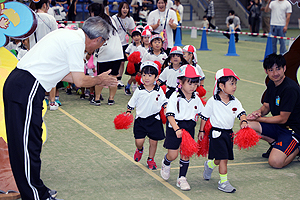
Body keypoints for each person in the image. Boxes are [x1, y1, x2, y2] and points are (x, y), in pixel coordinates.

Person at [3, 16, 117, 200]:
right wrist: (99, 80)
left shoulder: (68, 36)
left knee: (31, 142)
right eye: (102, 44)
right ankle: (34, 195)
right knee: (26, 145)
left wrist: (96, 80)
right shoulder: (75, 43)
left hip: (23, 85)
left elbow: (67, 75)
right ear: (97, 39)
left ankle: (36, 189)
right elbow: (80, 81)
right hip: (27, 86)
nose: (99, 47)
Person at [247, 53, 300, 168]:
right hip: (278, 127)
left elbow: (282, 119)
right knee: (247, 126)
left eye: (278, 69)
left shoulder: (290, 89)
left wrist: (260, 119)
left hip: (292, 130)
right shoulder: (272, 83)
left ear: (284, 68)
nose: (275, 73)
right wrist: (258, 112)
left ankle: (297, 149)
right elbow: (266, 106)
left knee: (275, 162)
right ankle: (276, 143)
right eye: (271, 70)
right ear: (266, 71)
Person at [198, 68, 247, 193]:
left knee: (220, 158)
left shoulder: (234, 101)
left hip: (228, 134)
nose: (234, 86)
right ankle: (223, 182)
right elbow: (204, 117)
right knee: (224, 158)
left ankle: (209, 165)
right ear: (221, 85)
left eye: (235, 83)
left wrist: (244, 121)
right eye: (231, 83)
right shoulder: (212, 101)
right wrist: (201, 131)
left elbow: (241, 112)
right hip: (216, 134)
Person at [160, 64, 204, 191]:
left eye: (195, 83)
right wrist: (176, 129)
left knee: (186, 153)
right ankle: (166, 162)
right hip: (175, 127)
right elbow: (169, 115)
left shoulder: (196, 98)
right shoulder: (175, 96)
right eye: (190, 83)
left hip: (189, 127)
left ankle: (182, 178)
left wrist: (202, 130)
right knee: (173, 155)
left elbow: (204, 115)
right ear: (181, 81)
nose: (193, 86)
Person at [127, 61, 167, 170]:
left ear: (156, 77)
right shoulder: (139, 90)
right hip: (140, 121)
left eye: (150, 75)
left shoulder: (159, 91)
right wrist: (128, 112)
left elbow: (164, 102)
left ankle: (150, 159)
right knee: (139, 141)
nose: (146, 78)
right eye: (144, 75)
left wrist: (168, 110)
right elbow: (132, 103)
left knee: (153, 142)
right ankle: (139, 149)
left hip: (154, 120)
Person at [88, 3, 123, 106]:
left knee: (101, 77)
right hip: (117, 53)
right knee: (113, 77)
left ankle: (97, 99)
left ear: (93, 12)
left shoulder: (96, 23)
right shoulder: (110, 19)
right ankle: (111, 99)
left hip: (105, 54)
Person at [29, 0, 59, 111]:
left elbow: (26, 39)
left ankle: (37, 100)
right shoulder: (50, 18)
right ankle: (52, 101)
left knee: (36, 77)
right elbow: (56, 36)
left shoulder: (31, 18)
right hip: (48, 52)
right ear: (45, 5)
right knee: (51, 76)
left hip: (33, 51)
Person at [112, 2, 135, 89]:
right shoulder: (114, 18)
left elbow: (131, 31)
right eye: (123, 8)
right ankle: (112, 78)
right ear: (120, 9)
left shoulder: (130, 19)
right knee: (115, 61)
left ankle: (119, 78)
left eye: (126, 8)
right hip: (115, 43)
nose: (125, 10)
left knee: (122, 62)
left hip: (125, 43)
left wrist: (134, 41)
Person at [124, 28, 147, 95]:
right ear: (132, 38)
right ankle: (127, 87)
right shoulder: (131, 45)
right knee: (133, 77)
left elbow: (144, 54)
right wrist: (129, 57)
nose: (136, 38)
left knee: (139, 76)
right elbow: (126, 52)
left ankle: (137, 87)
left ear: (140, 37)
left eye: (138, 36)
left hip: (139, 63)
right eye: (134, 36)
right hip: (132, 64)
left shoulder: (143, 46)